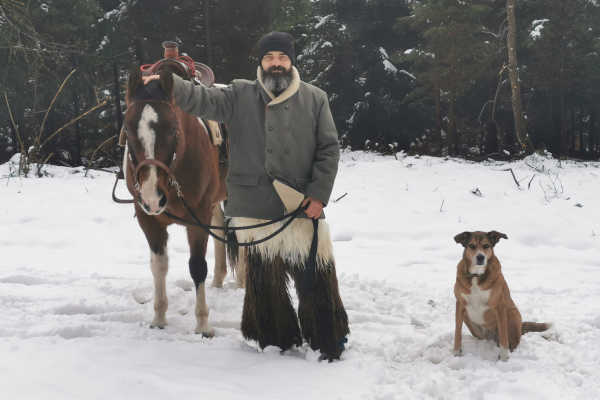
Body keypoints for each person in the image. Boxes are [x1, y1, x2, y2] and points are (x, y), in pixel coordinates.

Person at [143, 31, 349, 360]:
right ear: (261, 62)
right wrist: (169, 83)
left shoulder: (315, 98)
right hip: (253, 208)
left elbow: (329, 150)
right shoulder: (239, 94)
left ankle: (327, 339)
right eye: (270, 58)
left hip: (301, 206)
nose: (276, 64)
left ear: (291, 61)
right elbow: (200, 99)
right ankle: (275, 339)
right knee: (265, 287)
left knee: (315, 280)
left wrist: (318, 196)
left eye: (282, 57)